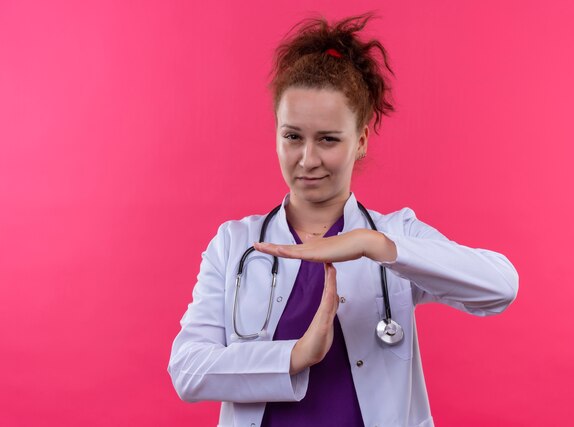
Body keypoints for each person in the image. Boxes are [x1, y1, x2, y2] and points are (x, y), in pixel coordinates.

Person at [167, 11, 519, 427]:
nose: (308, 159)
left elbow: (501, 287)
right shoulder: (235, 243)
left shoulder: (394, 236)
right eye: (292, 136)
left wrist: (375, 246)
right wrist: (297, 356)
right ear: (276, 133)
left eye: (329, 139)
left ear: (362, 141)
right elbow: (187, 369)